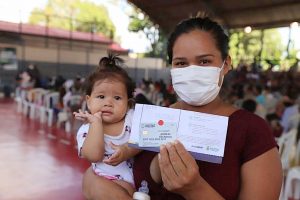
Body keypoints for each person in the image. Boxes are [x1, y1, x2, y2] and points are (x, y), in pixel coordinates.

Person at [82, 16, 282, 200]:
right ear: (171, 68)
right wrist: (93, 184)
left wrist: (194, 189)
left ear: (226, 63)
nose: (193, 71)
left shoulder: (251, 131)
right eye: (181, 63)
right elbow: (102, 174)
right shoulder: (156, 117)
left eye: (204, 61)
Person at [74, 54, 141, 199]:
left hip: (133, 182)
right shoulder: (86, 129)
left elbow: (146, 138)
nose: (108, 103)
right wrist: (96, 124)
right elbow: (94, 156)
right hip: (103, 179)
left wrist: (128, 151)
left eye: (117, 98)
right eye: (101, 97)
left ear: (128, 104)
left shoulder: (131, 118)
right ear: (89, 101)